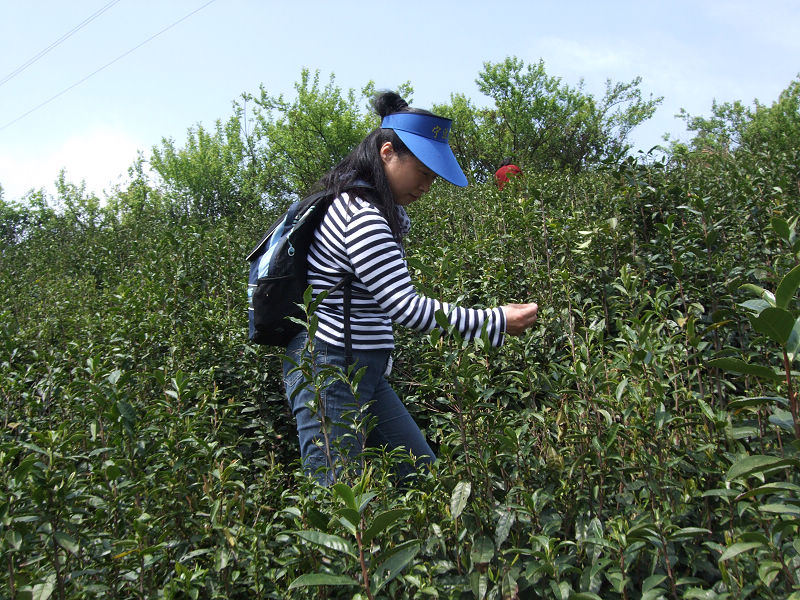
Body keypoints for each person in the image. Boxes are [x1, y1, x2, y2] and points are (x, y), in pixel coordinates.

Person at [282, 91, 539, 485]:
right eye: (422, 172)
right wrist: (496, 321)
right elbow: (406, 308)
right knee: (335, 491)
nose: (427, 186)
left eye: (433, 177)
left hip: (359, 369)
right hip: (329, 369)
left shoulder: (371, 209)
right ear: (387, 152)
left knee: (422, 477)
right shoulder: (362, 216)